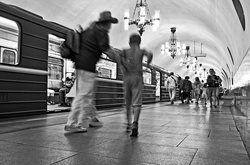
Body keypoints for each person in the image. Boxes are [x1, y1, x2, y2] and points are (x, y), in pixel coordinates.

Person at [64, 11, 119, 132]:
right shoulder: (102, 33)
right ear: (107, 23)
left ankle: (89, 120)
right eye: (110, 23)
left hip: (79, 65)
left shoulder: (88, 31)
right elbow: (107, 50)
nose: (110, 26)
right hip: (87, 67)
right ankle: (73, 123)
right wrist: (121, 61)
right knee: (83, 96)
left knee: (87, 96)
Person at [119, 33, 153, 137]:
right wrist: (147, 64)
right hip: (137, 77)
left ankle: (128, 124)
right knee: (137, 103)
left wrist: (125, 67)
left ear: (129, 42)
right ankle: (135, 124)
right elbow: (150, 54)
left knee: (128, 103)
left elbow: (121, 61)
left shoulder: (124, 51)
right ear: (139, 42)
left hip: (127, 77)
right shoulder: (141, 51)